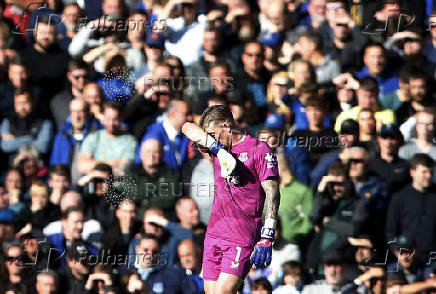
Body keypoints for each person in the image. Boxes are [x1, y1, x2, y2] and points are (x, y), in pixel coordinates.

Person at [181, 105, 281, 294]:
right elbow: (186, 127)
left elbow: (273, 192)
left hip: (240, 237)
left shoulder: (259, 149)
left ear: (227, 125)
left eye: (212, 133)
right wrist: (217, 149)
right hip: (213, 234)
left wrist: (267, 235)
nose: (208, 138)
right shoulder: (217, 148)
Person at [385, 153, 436, 255]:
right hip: (407, 256)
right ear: (412, 172)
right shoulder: (399, 198)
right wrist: (398, 251)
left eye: (431, 172)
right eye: (424, 172)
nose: (429, 176)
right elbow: (391, 231)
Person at [78, 101, 138, 176]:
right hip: (94, 184)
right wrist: (113, 163)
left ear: (121, 118)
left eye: (115, 119)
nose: (111, 123)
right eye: (108, 119)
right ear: (103, 118)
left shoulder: (130, 141)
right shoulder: (93, 138)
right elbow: (82, 166)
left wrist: (95, 163)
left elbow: (124, 169)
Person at [50, 98, 101, 185]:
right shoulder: (61, 135)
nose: (77, 116)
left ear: (88, 113)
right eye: (73, 112)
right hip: (64, 187)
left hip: (89, 186)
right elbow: (54, 166)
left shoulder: (97, 135)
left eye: (81, 111)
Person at [126, 138, 181, 218]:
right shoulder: (131, 173)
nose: (151, 155)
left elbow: (171, 199)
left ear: (162, 154)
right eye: (148, 151)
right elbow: (129, 195)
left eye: (156, 152)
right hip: (135, 217)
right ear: (141, 154)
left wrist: (144, 201)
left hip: (164, 218)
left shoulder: (173, 174)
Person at [19, 15, 69, 100]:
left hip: (57, 102)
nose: (45, 37)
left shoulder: (64, 58)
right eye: (42, 33)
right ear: (35, 33)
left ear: (56, 35)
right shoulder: (23, 56)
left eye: (49, 33)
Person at [128, 207, 194, 268]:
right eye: (151, 224)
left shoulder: (172, 240)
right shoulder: (137, 241)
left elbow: (191, 236)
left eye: (158, 224)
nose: (154, 228)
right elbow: (131, 266)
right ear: (144, 225)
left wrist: (165, 223)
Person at [136, 99, 191, 170]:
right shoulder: (154, 133)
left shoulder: (186, 135)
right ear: (172, 114)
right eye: (186, 114)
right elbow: (141, 162)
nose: (190, 118)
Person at [1, 90, 54, 162]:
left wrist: (15, 140)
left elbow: (43, 147)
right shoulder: (7, 122)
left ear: (33, 102)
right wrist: (31, 138)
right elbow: (6, 146)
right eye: (18, 103)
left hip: (38, 169)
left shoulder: (44, 122)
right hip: (13, 169)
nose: (22, 107)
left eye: (25, 102)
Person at [369, 124, 410, 193]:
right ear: (379, 139)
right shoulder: (371, 165)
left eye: (392, 138)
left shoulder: (406, 166)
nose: (388, 142)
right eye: (384, 137)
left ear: (399, 140)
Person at [49, 59, 90, 129]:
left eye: (85, 76)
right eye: (77, 77)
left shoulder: (96, 98)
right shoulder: (59, 101)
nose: (82, 80)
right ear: (69, 76)